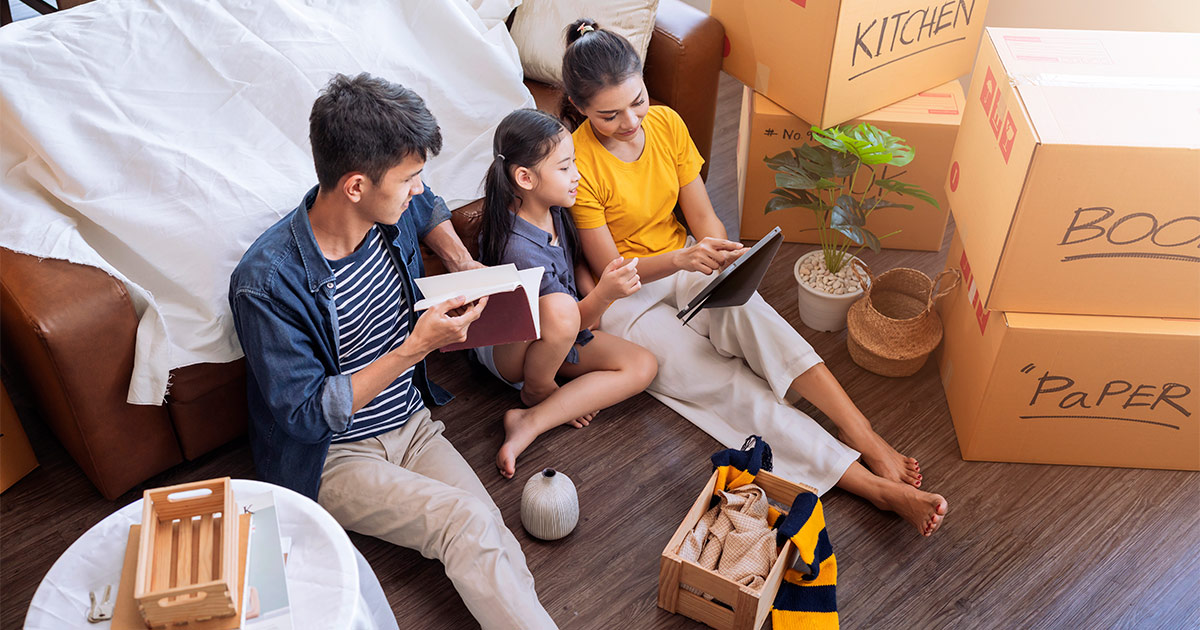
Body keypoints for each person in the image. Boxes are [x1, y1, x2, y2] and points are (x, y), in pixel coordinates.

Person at [560, 20, 948, 536]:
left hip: (685, 258)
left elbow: (703, 218)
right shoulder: (578, 164)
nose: (631, 121)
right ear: (580, 107)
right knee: (728, 388)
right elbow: (614, 272)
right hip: (629, 299)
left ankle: (866, 436)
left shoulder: (669, 125)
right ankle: (871, 486)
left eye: (638, 100)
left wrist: (716, 252)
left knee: (758, 321)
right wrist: (681, 261)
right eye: (610, 115)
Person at [229, 73, 557, 628]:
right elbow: (307, 415)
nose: (417, 190)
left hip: (412, 423)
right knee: (468, 524)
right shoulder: (266, 283)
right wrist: (416, 348)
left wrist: (459, 261)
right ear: (355, 186)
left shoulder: (390, 208)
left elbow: (426, 204)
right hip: (333, 456)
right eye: (407, 179)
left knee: (489, 529)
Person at [474, 108, 657, 479]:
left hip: (553, 335)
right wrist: (604, 294)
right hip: (509, 352)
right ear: (524, 178)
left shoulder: (553, 207)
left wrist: (593, 292)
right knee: (561, 310)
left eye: (573, 163)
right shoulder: (519, 249)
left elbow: (573, 269)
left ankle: (531, 419)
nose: (577, 175)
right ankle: (538, 391)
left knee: (643, 365)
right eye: (564, 168)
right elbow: (568, 320)